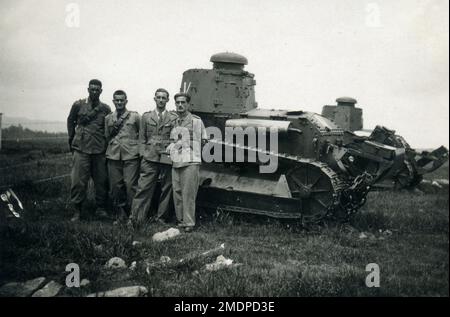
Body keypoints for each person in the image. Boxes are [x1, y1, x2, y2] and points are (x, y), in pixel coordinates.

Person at [128, 88, 178, 227]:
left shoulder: (173, 118)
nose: (161, 100)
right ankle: (136, 218)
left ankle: (161, 219)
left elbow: (175, 138)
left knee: (167, 189)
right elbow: (142, 137)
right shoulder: (146, 117)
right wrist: (143, 153)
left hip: (166, 158)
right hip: (149, 158)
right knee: (143, 188)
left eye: (164, 98)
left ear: (167, 100)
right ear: (154, 99)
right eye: (158, 97)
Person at [67, 79, 111, 222]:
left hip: (99, 150)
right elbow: (70, 121)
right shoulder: (78, 105)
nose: (94, 92)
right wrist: (72, 141)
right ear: (88, 89)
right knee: (78, 182)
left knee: (101, 181)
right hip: (81, 149)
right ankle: (77, 211)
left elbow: (108, 127)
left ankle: (101, 209)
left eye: (97, 89)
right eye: (92, 89)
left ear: (101, 91)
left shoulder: (105, 108)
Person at [167, 92, 207, 232]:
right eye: (177, 102)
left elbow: (201, 141)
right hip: (176, 161)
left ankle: (189, 223)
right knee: (177, 192)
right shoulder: (174, 121)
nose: (180, 105)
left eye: (183, 102)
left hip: (190, 161)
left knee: (188, 193)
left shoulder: (196, 121)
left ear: (188, 104)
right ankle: (181, 221)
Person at [105, 90, 140, 222]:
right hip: (113, 156)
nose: (119, 102)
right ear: (113, 101)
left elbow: (141, 134)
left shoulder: (135, 116)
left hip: (131, 156)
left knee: (131, 186)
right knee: (115, 187)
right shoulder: (108, 118)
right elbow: (107, 136)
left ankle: (133, 216)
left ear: (126, 101)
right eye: (117, 100)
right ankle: (120, 214)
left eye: (122, 100)